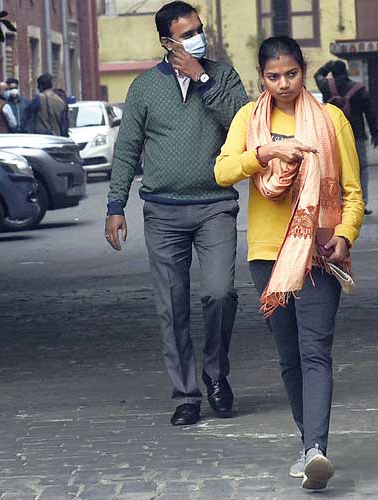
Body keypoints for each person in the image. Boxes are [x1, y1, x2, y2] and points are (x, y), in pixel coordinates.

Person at [215, 36, 364, 491]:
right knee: (289, 358)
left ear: (304, 70)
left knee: (315, 351)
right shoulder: (248, 118)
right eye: (274, 76)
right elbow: (222, 171)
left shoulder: (332, 119)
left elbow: (353, 193)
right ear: (261, 77)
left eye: (292, 74)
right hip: (267, 256)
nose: (284, 84)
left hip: (317, 254)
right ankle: (307, 445)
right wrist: (265, 154)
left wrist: (344, 234)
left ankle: (317, 449)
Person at [104, 1, 249, 427]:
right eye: (186, 34)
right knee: (172, 305)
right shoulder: (145, 88)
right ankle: (187, 394)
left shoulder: (221, 77)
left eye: (198, 30)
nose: (196, 39)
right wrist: (115, 206)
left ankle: (215, 373)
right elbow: (127, 150)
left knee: (220, 292)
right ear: (167, 42)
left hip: (215, 207)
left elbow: (241, 121)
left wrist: (201, 78)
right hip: (163, 212)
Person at [314, 60, 378, 215]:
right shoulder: (359, 89)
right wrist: (375, 133)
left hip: (331, 134)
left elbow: (317, 75)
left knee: (334, 168)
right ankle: (361, 202)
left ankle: (338, 201)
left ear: (332, 72)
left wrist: (325, 67)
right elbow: (369, 113)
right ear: (346, 72)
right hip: (357, 134)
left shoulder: (326, 86)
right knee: (361, 168)